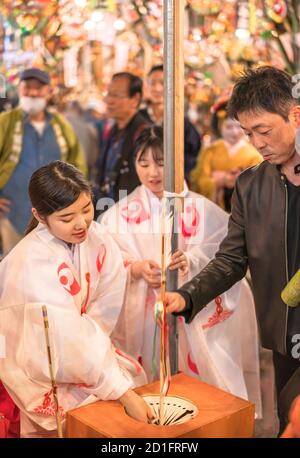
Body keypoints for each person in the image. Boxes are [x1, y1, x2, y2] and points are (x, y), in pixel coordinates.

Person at [164, 66, 300, 435]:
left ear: (295, 115)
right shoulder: (251, 185)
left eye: (264, 131)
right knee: (288, 416)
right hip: (284, 331)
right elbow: (231, 259)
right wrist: (187, 296)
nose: (256, 142)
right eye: (248, 133)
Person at [100, 127, 261, 413]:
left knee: (194, 384)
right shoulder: (118, 214)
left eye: (161, 163)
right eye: (144, 163)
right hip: (143, 316)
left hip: (190, 307)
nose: (152, 172)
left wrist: (192, 261)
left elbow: (225, 253)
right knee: (148, 382)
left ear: (178, 161)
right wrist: (134, 268)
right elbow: (105, 259)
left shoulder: (204, 209)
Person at [0, 161, 151, 437]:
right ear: (40, 216)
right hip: (38, 364)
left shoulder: (97, 236)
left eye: (86, 208)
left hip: (83, 351)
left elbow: (106, 300)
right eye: (67, 218)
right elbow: (63, 338)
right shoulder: (31, 263)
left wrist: (95, 347)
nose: (82, 223)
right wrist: (120, 390)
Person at [0, 67, 86, 255]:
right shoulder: (5, 122)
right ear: (19, 89)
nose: (32, 92)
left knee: (51, 271)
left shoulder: (61, 125)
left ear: (49, 91)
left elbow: (77, 165)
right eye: (27, 87)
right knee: (13, 272)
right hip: (11, 217)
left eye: (38, 88)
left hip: (56, 220)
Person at [190, 97, 262, 212]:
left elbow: (259, 187)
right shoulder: (210, 151)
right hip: (213, 210)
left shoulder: (254, 155)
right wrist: (219, 181)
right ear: (220, 127)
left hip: (242, 211)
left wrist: (236, 180)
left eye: (238, 127)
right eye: (229, 127)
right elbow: (199, 180)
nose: (234, 132)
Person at [95, 72, 149, 205]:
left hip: (131, 215)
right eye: (108, 94)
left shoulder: (144, 135)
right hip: (109, 212)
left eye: (116, 95)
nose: (109, 101)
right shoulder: (113, 131)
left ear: (135, 99)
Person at [140, 65, 201, 181]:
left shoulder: (182, 122)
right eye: (152, 83)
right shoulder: (138, 119)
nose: (157, 88)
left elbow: (192, 155)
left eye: (163, 83)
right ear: (146, 86)